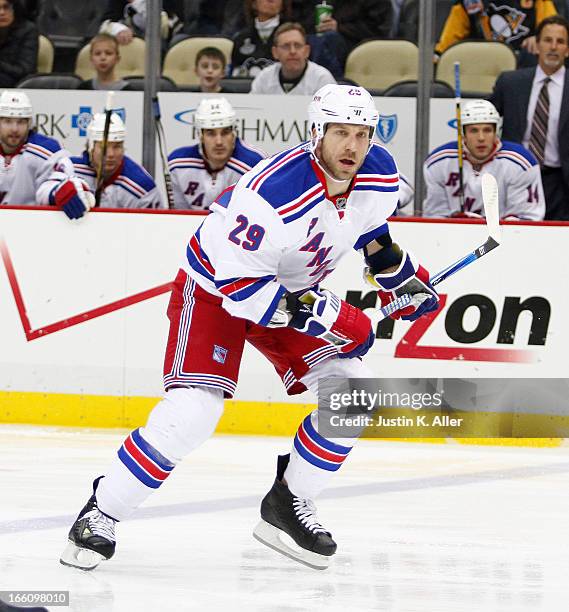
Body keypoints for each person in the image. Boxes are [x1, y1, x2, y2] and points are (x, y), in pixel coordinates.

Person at [60, 84, 440, 572]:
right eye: (341, 132)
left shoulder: (378, 170)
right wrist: (339, 319)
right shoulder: (273, 194)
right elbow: (244, 289)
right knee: (194, 412)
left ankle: (287, 504)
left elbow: (372, 236)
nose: (352, 146)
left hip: (292, 290)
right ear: (316, 132)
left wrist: (403, 279)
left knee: (354, 392)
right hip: (218, 289)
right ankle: (102, 510)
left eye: (362, 134)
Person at [491, 15, 569, 220]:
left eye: (560, 42)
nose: (553, 47)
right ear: (536, 44)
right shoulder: (510, 83)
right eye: (547, 40)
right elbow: (484, 119)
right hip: (515, 177)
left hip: (560, 184)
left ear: (567, 49)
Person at [423, 99, 545, 220]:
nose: (481, 138)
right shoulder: (439, 162)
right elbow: (435, 217)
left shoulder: (520, 164)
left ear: (496, 132)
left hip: (504, 236)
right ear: (463, 134)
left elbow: (526, 218)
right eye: (474, 131)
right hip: (453, 236)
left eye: (487, 130)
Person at [0, 90, 94, 219]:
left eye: (21, 122)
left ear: (29, 124)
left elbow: (61, 180)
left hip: (32, 226)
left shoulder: (48, 152)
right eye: (7, 121)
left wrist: (60, 190)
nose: (14, 129)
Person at [167, 97, 264, 210]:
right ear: (201, 136)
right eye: (211, 133)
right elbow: (177, 216)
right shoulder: (177, 164)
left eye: (225, 132)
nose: (219, 142)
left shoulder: (255, 165)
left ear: (233, 134)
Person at [71, 112, 162, 210]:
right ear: (90, 147)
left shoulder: (142, 188)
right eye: (104, 147)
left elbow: (156, 224)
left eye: (117, 146)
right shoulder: (69, 170)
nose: (110, 154)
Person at [435, 0, 557, 62]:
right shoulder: (469, 2)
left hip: (521, 68)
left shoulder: (538, 2)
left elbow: (554, 30)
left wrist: (539, 39)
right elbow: (446, 47)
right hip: (482, 67)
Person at [250, 22, 336, 94]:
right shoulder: (264, 77)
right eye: (286, 46)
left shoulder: (322, 79)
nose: (292, 51)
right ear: (275, 52)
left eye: (298, 46)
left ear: (307, 51)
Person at [231, 0, 292, 78]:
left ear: (282, 4)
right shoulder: (240, 39)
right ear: (254, 3)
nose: (271, 0)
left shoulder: (292, 36)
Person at [99, 0, 182, 45]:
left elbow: (164, 30)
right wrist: (119, 30)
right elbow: (105, 24)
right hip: (131, 40)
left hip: (165, 40)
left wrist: (138, 3)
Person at [0, 0, 37, 88]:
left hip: (17, 89)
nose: (1, 13)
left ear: (15, 9)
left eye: (6, 7)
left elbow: (25, 71)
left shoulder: (28, 31)